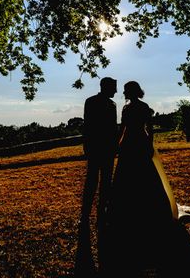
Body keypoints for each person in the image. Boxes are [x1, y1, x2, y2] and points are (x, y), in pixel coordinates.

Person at [102, 81, 190, 277]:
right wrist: (137, 144)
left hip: (135, 145)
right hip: (137, 144)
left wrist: (128, 144)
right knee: (140, 178)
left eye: (126, 90)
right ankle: (141, 209)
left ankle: (136, 212)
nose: (124, 92)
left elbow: (136, 129)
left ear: (130, 91)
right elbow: (139, 130)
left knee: (136, 178)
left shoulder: (134, 108)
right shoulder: (137, 107)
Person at [75, 77, 119, 275]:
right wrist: (87, 145)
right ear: (106, 87)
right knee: (91, 181)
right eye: (114, 88)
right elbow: (88, 124)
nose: (116, 91)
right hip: (96, 148)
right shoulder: (91, 101)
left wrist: (116, 145)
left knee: (106, 183)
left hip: (109, 149)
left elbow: (114, 127)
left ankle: (101, 214)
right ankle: (85, 215)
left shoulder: (112, 104)